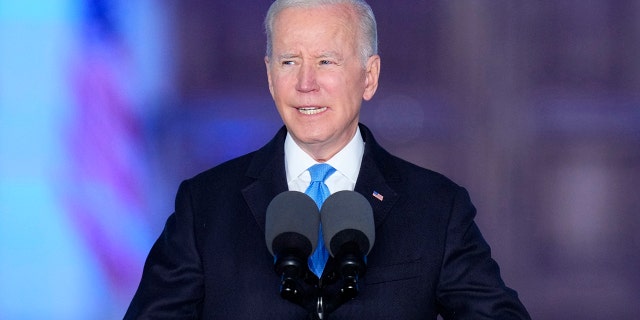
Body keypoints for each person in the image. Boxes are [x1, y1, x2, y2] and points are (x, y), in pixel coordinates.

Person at [124, 0, 531, 319]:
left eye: (325, 61)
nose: (306, 84)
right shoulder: (205, 204)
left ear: (369, 76)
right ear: (269, 76)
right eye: (289, 62)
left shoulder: (436, 207)